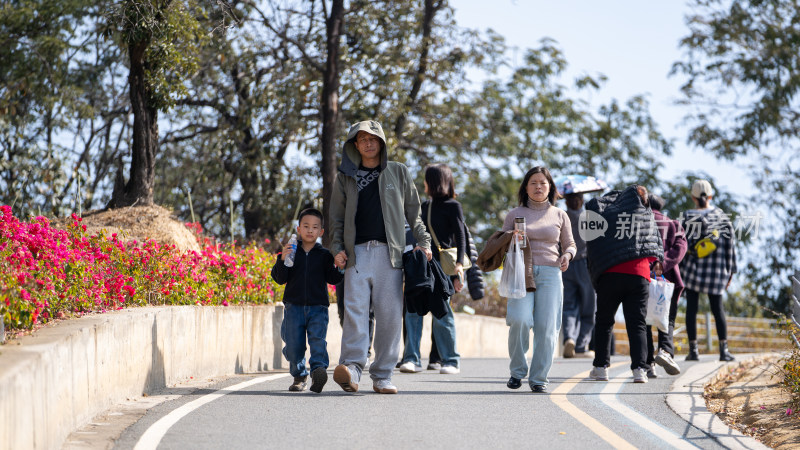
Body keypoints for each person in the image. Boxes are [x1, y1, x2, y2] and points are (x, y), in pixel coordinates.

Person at [330, 120, 432, 394]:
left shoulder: (398, 171)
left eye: (373, 138)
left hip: (391, 254)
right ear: (355, 145)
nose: (368, 143)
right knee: (355, 312)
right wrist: (337, 247)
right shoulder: (345, 177)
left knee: (388, 315)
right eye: (362, 139)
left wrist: (423, 242)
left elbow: (414, 213)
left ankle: (383, 375)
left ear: (382, 142)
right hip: (357, 254)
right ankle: (351, 368)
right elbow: (336, 218)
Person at [502, 166, 576, 393]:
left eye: (543, 183)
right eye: (533, 182)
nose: (538, 187)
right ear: (526, 187)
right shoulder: (514, 214)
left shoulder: (559, 215)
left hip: (551, 273)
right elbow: (500, 243)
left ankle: (539, 378)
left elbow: (571, 244)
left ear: (550, 187)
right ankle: (517, 371)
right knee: (519, 319)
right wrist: (509, 238)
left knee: (546, 328)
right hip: (521, 272)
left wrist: (567, 255)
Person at [586, 185, 664, 384]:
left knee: (604, 321)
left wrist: (596, 271)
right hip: (639, 274)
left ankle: (601, 367)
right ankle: (639, 369)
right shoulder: (644, 215)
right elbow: (654, 244)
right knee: (637, 323)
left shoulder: (608, 213)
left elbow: (594, 245)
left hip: (609, 274)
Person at [399, 164, 463, 375]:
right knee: (413, 312)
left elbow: (461, 238)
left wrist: (460, 267)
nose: (424, 185)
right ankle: (411, 359)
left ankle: (451, 361)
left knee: (442, 314)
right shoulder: (422, 206)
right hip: (420, 267)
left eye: (426, 180)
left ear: (433, 181)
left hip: (442, 269)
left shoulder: (453, 206)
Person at [270, 208, 344, 393]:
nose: (310, 230)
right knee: (294, 346)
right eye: (306, 226)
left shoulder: (325, 255)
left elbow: (333, 279)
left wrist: (339, 267)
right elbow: (280, 279)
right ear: (298, 229)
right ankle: (299, 374)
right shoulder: (291, 252)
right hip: (293, 307)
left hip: (318, 307)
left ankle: (318, 370)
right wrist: (282, 259)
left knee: (318, 341)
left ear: (321, 232)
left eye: (315, 227)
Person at [679, 179, 737, 362]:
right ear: (710, 196)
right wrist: (731, 271)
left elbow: (679, 245)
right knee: (717, 309)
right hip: (716, 272)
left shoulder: (686, 217)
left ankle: (693, 350)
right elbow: (730, 246)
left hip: (692, 271)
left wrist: (677, 271)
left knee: (692, 309)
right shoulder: (721, 217)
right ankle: (723, 350)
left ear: (693, 197)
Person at [645, 194, 687, 378]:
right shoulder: (673, 224)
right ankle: (665, 351)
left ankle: (647, 364)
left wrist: (651, 264)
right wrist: (663, 263)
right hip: (669, 280)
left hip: (645, 278)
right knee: (667, 319)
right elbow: (681, 247)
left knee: (644, 323)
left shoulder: (638, 223)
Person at [561, 192, 596, 359]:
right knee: (588, 307)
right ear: (581, 201)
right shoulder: (589, 218)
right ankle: (582, 345)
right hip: (585, 264)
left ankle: (569, 338)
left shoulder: (561, 217)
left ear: (566, 202)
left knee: (569, 306)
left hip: (565, 263)